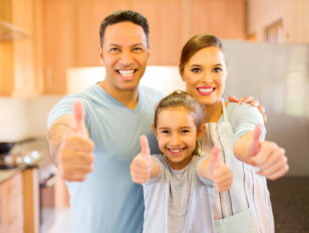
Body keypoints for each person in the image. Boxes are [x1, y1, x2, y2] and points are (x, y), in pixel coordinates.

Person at [47, 10, 266, 233]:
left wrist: (246, 108)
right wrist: (67, 145)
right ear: (101, 54)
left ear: (148, 53)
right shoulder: (79, 106)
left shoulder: (159, 103)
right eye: (115, 49)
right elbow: (60, 131)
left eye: (136, 48)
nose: (126, 59)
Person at [179, 34, 289, 233]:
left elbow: (245, 139)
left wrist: (254, 150)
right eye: (196, 69)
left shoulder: (243, 111)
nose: (207, 79)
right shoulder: (171, 121)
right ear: (182, 73)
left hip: (247, 226)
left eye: (216, 69)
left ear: (226, 73)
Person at [130, 90, 233, 233]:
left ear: (199, 131)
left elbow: (206, 169)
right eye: (166, 131)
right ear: (155, 131)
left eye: (184, 131)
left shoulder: (200, 165)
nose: (175, 141)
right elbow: (150, 168)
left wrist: (216, 171)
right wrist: (142, 166)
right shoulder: (156, 164)